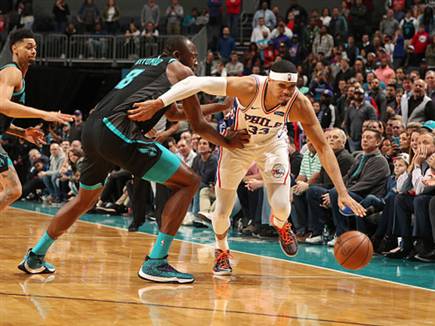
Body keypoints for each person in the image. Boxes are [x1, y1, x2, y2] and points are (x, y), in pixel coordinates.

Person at [18, 36, 249, 283]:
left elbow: (172, 113)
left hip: (93, 128)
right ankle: (156, 262)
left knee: (84, 199)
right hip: (117, 131)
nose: (196, 62)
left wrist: (218, 107)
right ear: (179, 55)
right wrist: (227, 141)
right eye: (194, 57)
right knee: (189, 182)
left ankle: (35, 256)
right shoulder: (181, 70)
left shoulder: (145, 64)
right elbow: (197, 125)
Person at [129, 59, 366, 275]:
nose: (286, 92)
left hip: (272, 146)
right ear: (270, 80)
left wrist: (342, 192)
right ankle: (222, 251)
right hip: (236, 144)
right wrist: (158, 103)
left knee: (282, 207)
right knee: (221, 210)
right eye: (282, 86)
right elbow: (195, 82)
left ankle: (282, 225)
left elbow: (324, 147)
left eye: (291, 88)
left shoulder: (299, 104)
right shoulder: (249, 87)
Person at [0, 28, 73, 214]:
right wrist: (43, 114)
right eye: (28, 47)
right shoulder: (11, 72)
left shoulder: (19, 76)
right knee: (12, 190)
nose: (33, 51)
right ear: (15, 48)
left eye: (35, 48)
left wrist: (22, 132)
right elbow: (2, 104)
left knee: (11, 190)